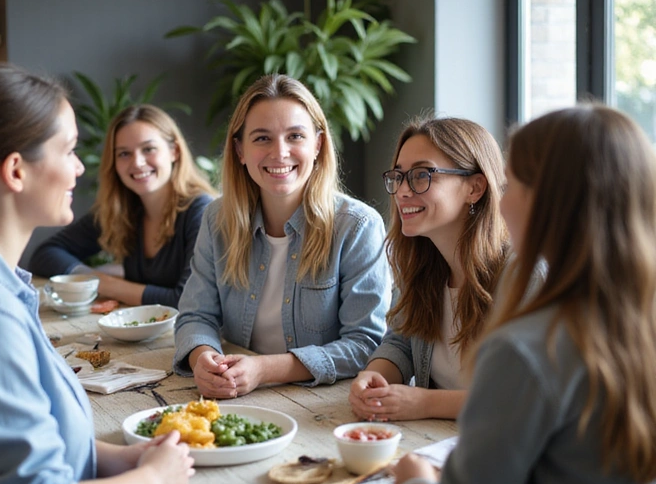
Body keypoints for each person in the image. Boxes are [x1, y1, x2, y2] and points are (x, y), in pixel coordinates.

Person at [0, 63, 194, 484]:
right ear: (16, 171)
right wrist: (154, 478)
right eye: (68, 151)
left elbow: (32, 442)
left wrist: (124, 460)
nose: (80, 169)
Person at [394, 104, 656, 484]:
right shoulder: (635, 320)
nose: (501, 201)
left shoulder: (526, 349)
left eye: (511, 183)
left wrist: (416, 478)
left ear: (550, 204)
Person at [173, 74, 389, 399]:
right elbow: (196, 314)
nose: (280, 152)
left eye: (295, 136)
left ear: (317, 145)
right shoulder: (218, 219)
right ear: (240, 150)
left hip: (325, 403)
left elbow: (366, 344)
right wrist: (202, 358)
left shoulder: (358, 226)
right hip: (235, 396)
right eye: (262, 138)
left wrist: (264, 369)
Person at [349, 116, 510, 421]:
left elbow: (526, 396)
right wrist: (371, 378)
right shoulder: (424, 266)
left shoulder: (525, 276)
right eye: (399, 176)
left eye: (422, 175)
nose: (402, 191)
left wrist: (425, 403)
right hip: (433, 442)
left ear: (474, 188)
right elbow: (401, 342)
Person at [28, 104, 216, 308]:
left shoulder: (202, 210)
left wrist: (101, 283)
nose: (137, 162)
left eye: (149, 149)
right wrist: (95, 278)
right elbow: (45, 254)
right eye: (124, 154)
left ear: (174, 152)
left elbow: (187, 300)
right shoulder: (124, 209)